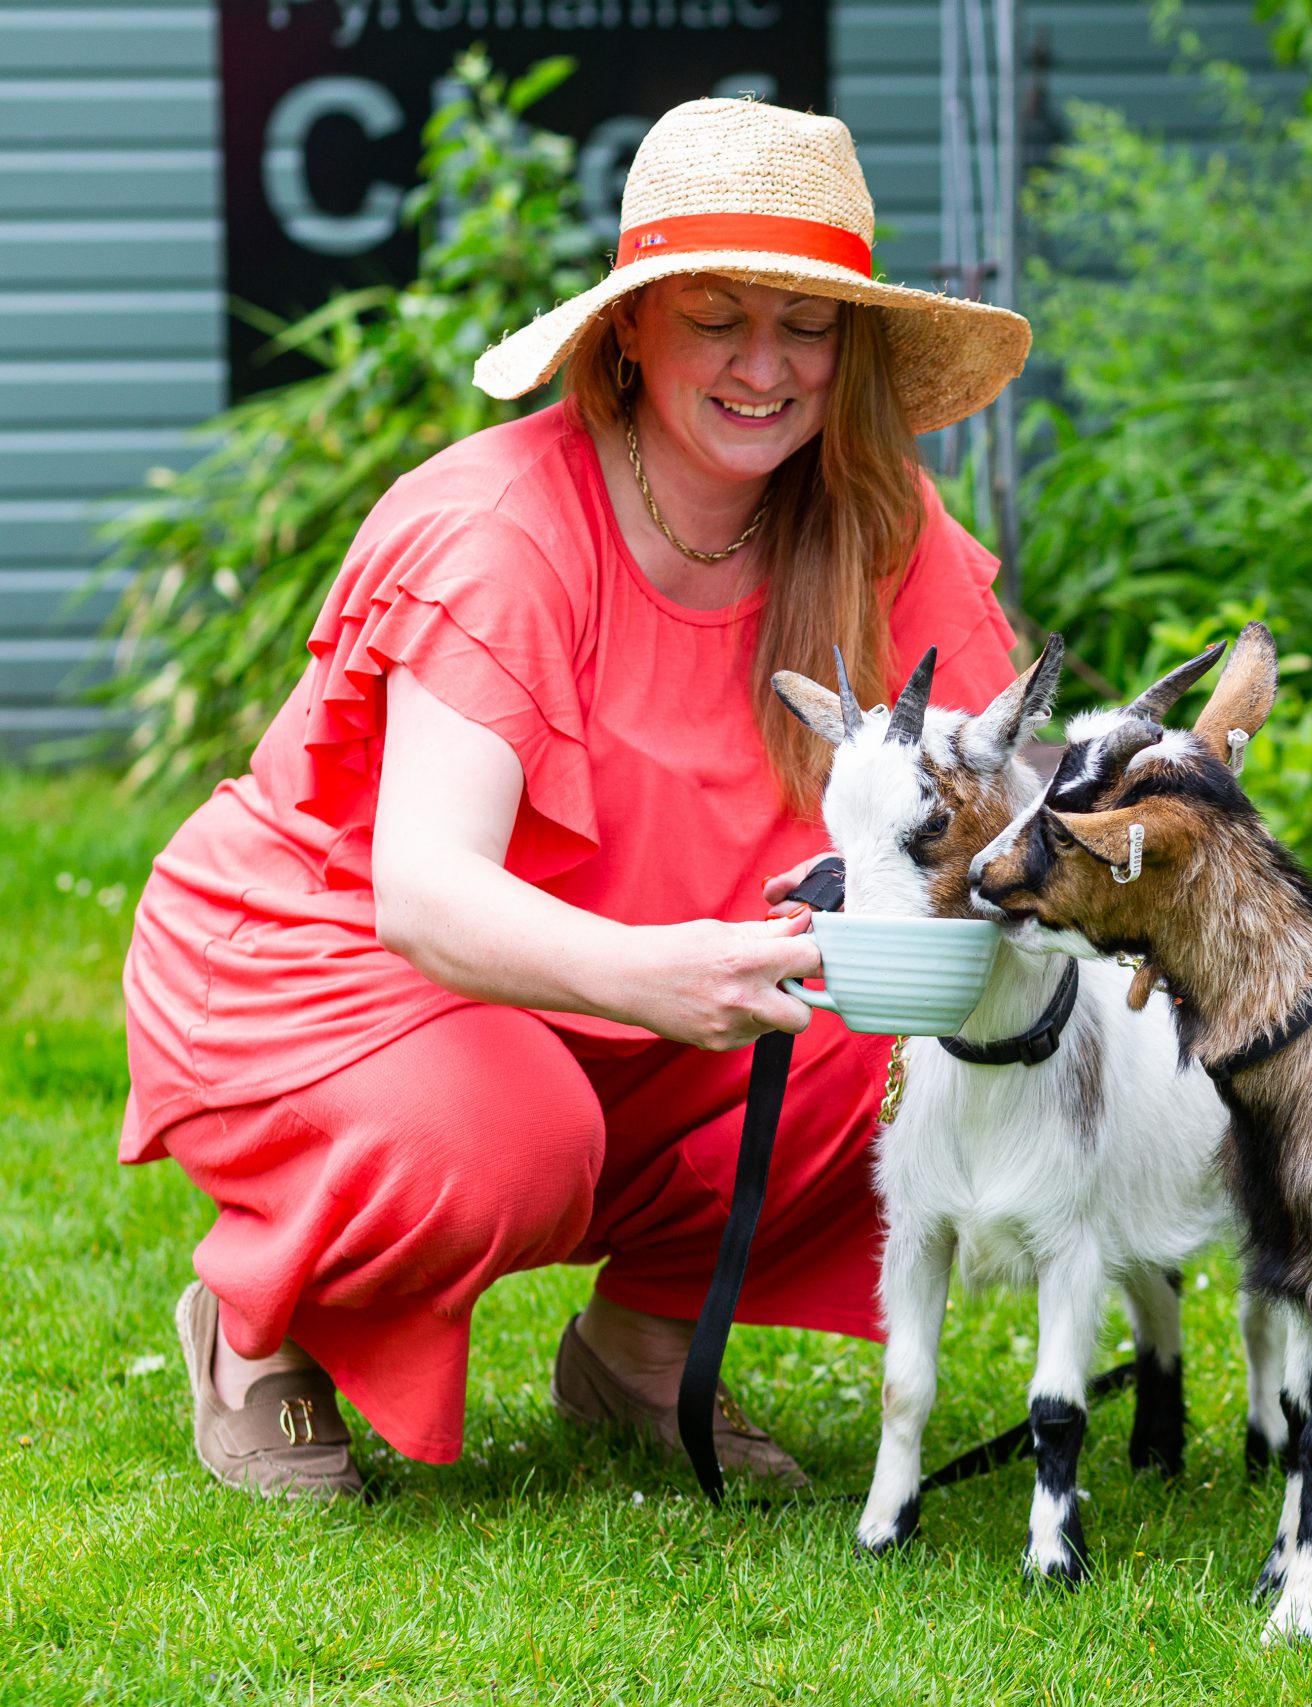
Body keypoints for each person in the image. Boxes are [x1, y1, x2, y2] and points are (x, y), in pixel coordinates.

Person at [118, 98, 1033, 1499]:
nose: (764, 364)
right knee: (501, 1142)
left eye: (804, 324)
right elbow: (426, 891)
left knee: (901, 1025)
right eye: (717, 315)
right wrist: (646, 975)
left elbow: (1002, 789)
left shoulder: (873, 524)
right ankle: (253, 1326)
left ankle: (649, 1348)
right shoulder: (503, 534)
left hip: (637, 978)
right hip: (340, 959)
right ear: (629, 332)